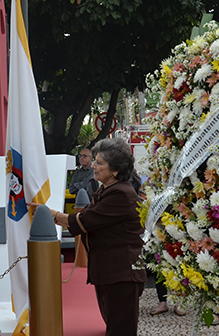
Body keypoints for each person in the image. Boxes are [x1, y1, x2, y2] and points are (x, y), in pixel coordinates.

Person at [31, 138, 146, 336]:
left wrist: (51, 215)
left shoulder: (121, 195)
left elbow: (86, 220)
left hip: (122, 274)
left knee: (120, 331)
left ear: (116, 169)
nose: (93, 165)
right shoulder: (107, 190)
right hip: (110, 273)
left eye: (99, 162)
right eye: (94, 160)